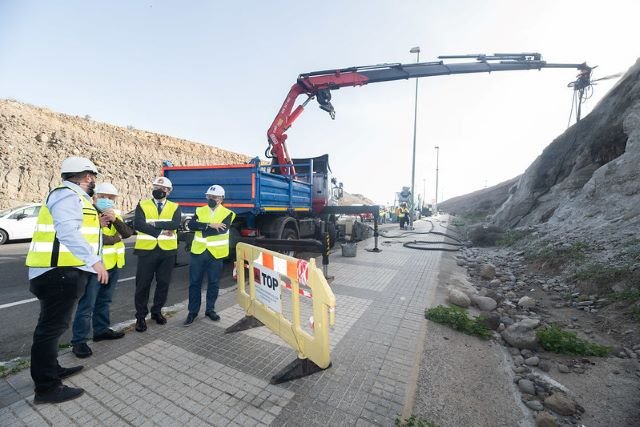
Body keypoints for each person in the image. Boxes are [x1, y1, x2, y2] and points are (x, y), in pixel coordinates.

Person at [25, 156, 108, 404]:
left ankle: (52, 369)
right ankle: (47, 388)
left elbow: (79, 230)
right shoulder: (67, 196)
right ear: (85, 176)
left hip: (61, 271)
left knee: (54, 327)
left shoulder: (75, 198)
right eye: (91, 176)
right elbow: (68, 231)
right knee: (50, 330)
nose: (93, 180)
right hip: (58, 272)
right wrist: (94, 261)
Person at [71, 183, 133, 358]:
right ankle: (79, 341)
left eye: (111, 198)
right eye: (104, 197)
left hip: (112, 265)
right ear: (95, 196)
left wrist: (115, 220)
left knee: (104, 301)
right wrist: (114, 238)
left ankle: (101, 330)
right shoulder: (87, 211)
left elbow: (128, 233)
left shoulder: (115, 213)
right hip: (94, 267)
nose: (107, 200)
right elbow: (86, 236)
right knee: (87, 304)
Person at [133, 176, 181, 332]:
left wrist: (154, 223)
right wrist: (161, 230)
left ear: (168, 191)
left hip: (167, 252)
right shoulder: (142, 204)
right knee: (142, 285)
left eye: (162, 189)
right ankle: (140, 317)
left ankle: (156, 312)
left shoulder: (175, 207)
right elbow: (138, 224)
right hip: (147, 251)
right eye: (155, 187)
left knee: (163, 283)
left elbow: (174, 224)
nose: (158, 190)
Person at [183, 185, 235, 326]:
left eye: (215, 197)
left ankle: (210, 310)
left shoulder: (228, 213)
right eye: (209, 197)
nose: (211, 199)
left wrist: (202, 227)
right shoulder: (200, 210)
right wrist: (210, 225)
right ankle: (192, 312)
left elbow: (221, 231)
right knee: (194, 283)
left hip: (216, 255)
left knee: (213, 283)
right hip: (198, 252)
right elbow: (191, 225)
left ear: (221, 199)